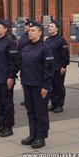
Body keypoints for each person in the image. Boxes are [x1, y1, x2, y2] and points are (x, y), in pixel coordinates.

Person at [20, 21, 54, 149]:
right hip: (28, 84)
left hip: (39, 86)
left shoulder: (45, 49)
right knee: (30, 111)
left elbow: (49, 70)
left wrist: (46, 86)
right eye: (29, 30)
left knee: (41, 112)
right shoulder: (26, 48)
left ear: (40, 32)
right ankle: (32, 134)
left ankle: (41, 137)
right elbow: (24, 67)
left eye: (33, 30)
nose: (29, 32)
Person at [0, 19, 18, 137]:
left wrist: (11, 76)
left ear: (6, 29)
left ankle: (8, 127)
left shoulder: (10, 42)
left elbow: (14, 62)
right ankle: (1, 125)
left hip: (5, 78)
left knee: (7, 103)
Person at [45, 20, 70, 113]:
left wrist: (64, 66)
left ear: (57, 28)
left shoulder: (61, 40)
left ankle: (59, 105)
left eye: (51, 26)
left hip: (58, 68)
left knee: (58, 87)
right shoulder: (47, 40)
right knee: (51, 87)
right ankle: (53, 103)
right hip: (49, 68)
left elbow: (65, 55)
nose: (49, 28)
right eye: (49, 26)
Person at [18, 19, 31, 106]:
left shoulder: (32, 36)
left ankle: (30, 99)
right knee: (24, 81)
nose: (26, 27)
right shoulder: (23, 36)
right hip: (23, 62)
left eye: (28, 26)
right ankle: (26, 98)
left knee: (31, 81)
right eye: (25, 26)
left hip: (30, 62)